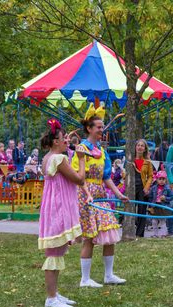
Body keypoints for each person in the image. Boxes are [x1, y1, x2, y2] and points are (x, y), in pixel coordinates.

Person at [72, 103, 128, 288]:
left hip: (101, 195)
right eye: (99, 127)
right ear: (89, 128)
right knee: (89, 236)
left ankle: (108, 275)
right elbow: (78, 177)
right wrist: (87, 194)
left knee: (110, 231)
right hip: (86, 196)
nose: (102, 130)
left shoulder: (102, 152)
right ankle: (85, 279)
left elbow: (106, 177)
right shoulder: (81, 150)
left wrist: (119, 195)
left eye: (103, 127)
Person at [38, 119, 86, 307]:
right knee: (54, 253)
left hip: (53, 206)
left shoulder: (48, 157)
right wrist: (81, 159)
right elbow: (79, 179)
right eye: (63, 138)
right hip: (58, 208)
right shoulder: (59, 159)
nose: (67, 140)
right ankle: (50, 298)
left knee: (57, 251)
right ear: (55, 142)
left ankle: (54, 293)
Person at [133, 139, 153, 238]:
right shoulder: (130, 159)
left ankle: (140, 234)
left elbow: (150, 176)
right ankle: (130, 231)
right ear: (135, 147)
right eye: (138, 145)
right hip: (132, 187)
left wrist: (147, 187)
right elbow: (124, 174)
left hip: (142, 187)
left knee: (141, 209)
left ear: (145, 149)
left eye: (142, 146)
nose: (140, 147)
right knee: (131, 209)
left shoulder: (147, 162)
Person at [147, 170, 173, 237]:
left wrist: (165, 198)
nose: (161, 181)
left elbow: (172, 197)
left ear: (165, 180)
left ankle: (163, 234)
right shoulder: (153, 188)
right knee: (154, 220)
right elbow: (150, 197)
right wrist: (150, 206)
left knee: (162, 221)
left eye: (163, 179)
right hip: (155, 206)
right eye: (160, 179)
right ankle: (155, 234)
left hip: (163, 206)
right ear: (157, 180)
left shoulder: (167, 188)